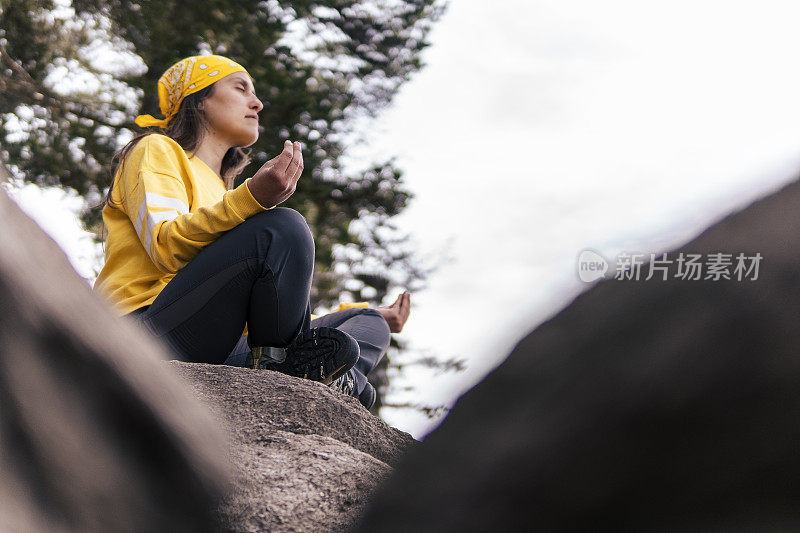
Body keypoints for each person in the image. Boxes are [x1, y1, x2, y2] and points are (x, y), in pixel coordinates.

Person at [93, 55, 411, 409]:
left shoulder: (226, 194)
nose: (257, 103)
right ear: (197, 100)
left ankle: (314, 376)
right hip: (146, 331)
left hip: (221, 346)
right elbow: (165, 245)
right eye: (240, 88)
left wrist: (368, 313)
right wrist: (253, 198)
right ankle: (319, 380)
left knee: (367, 321)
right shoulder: (156, 149)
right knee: (282, 227)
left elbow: (260, 307)